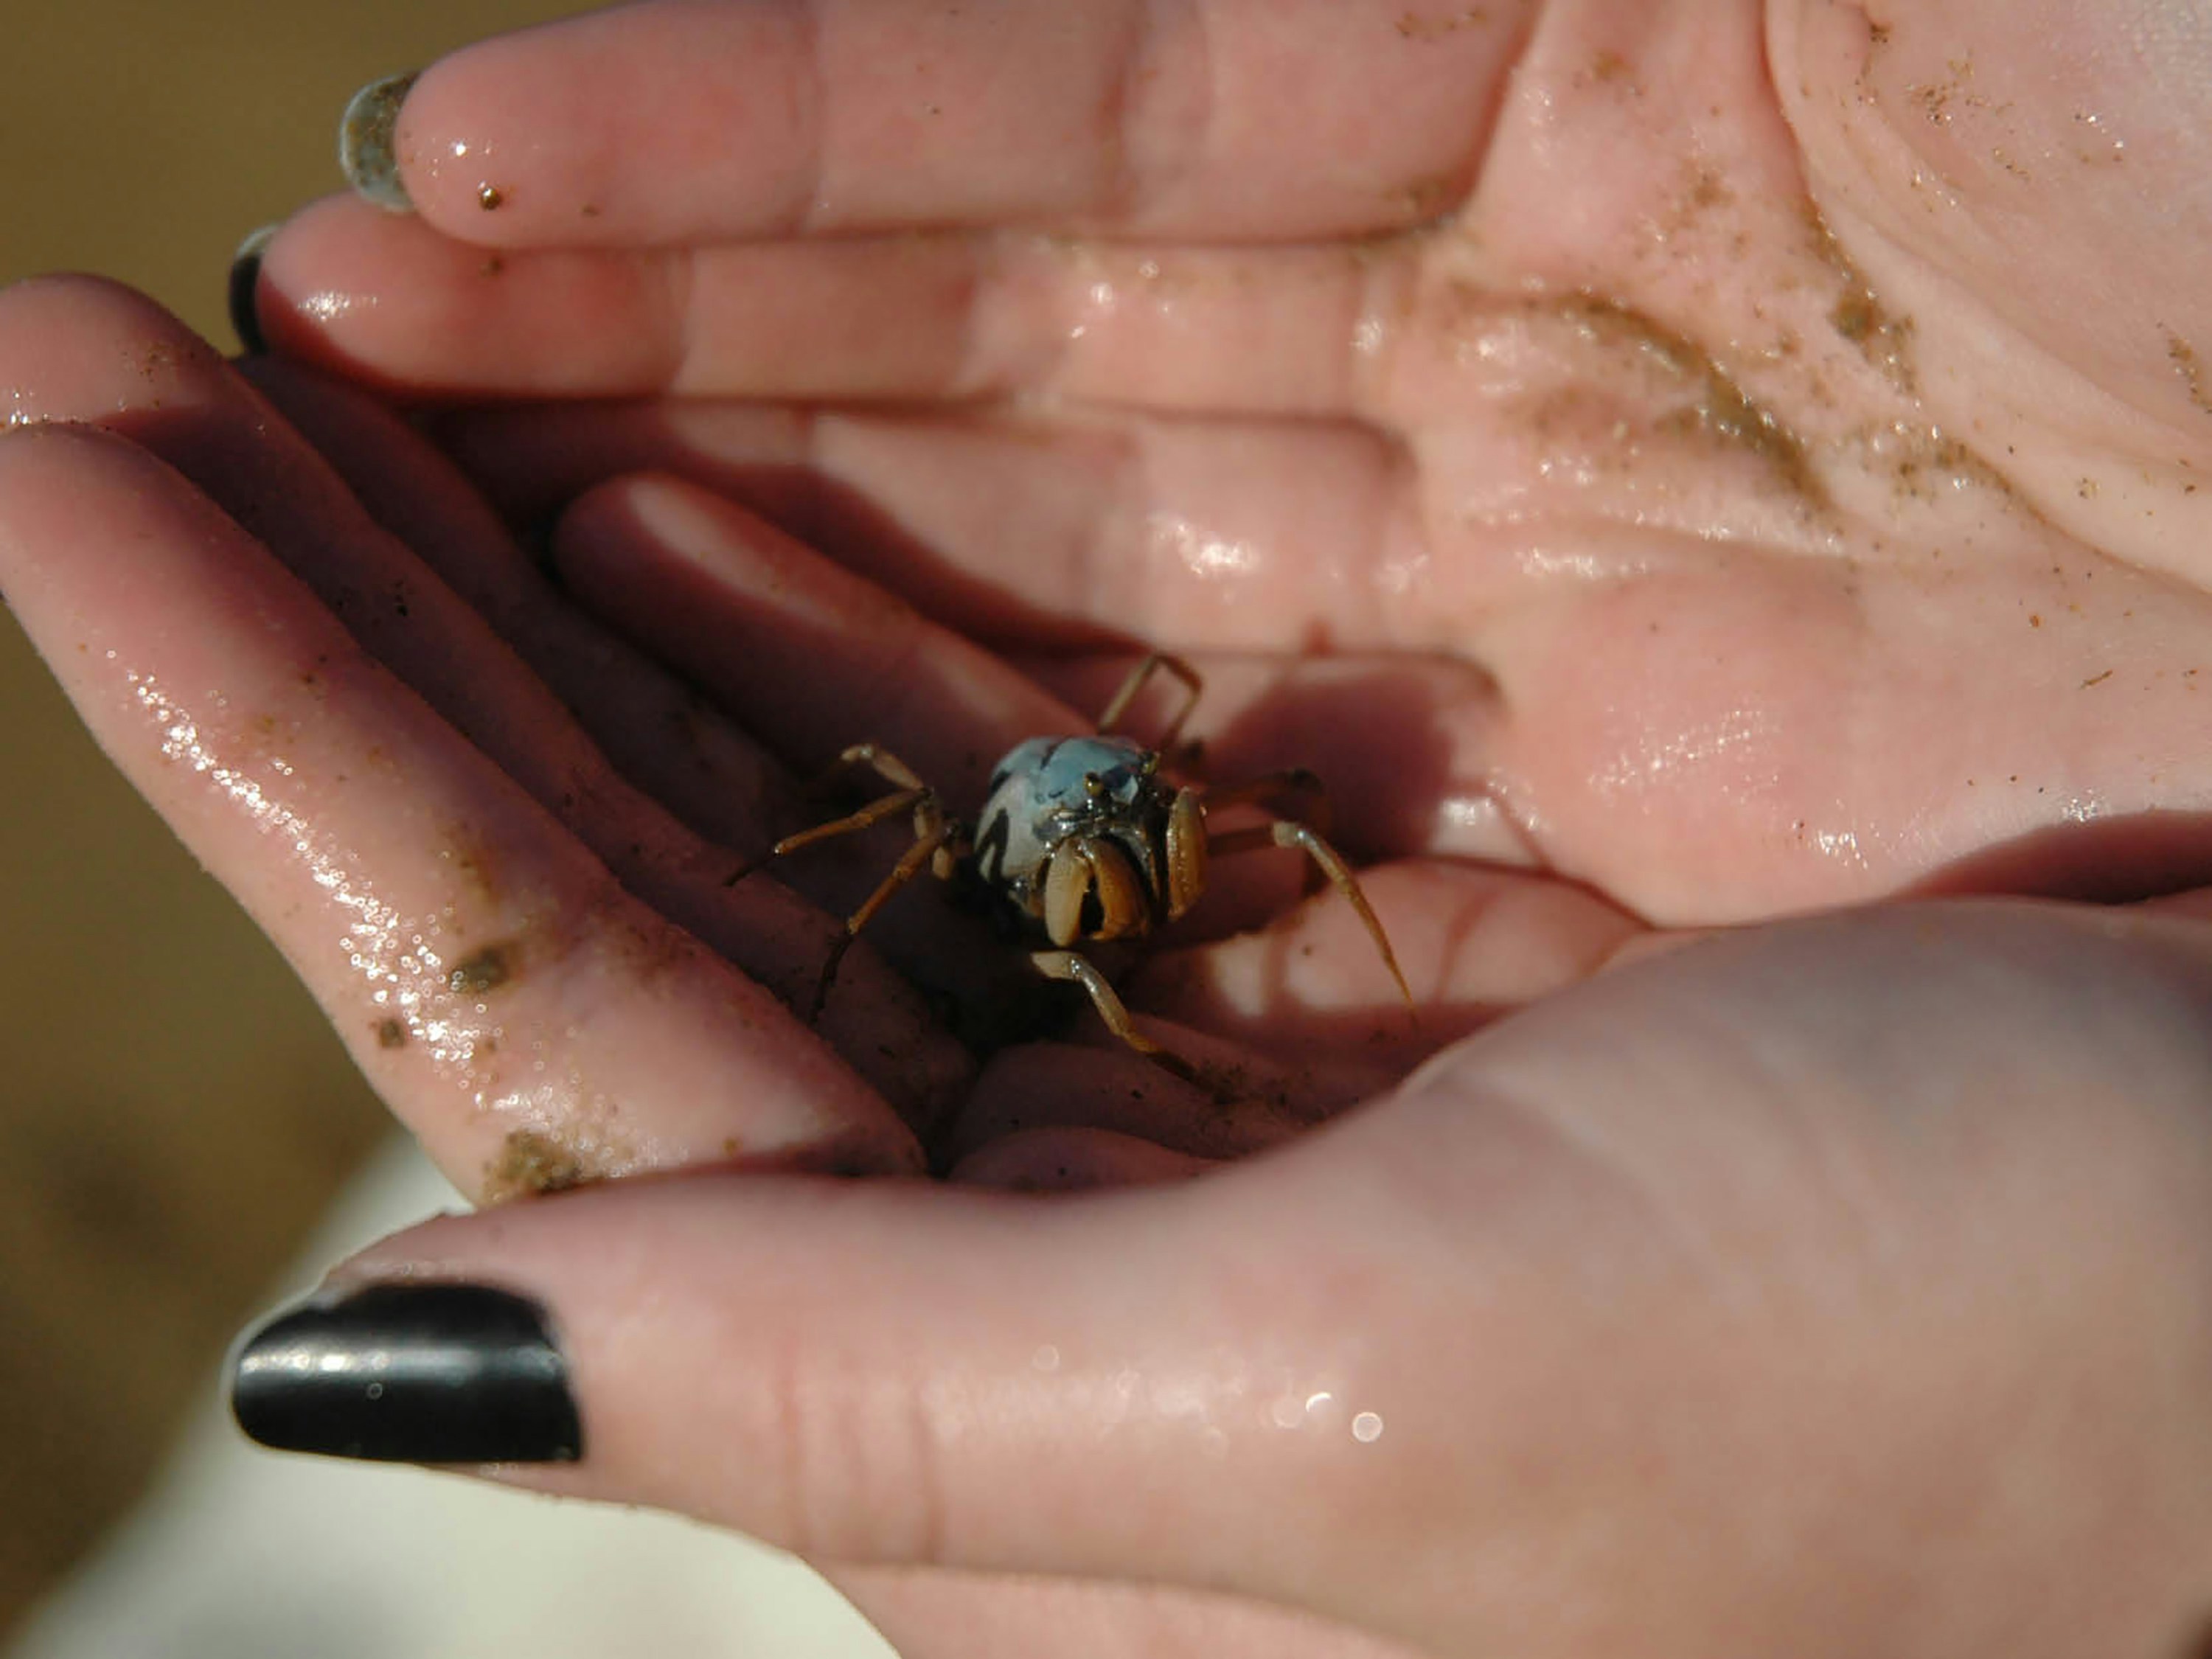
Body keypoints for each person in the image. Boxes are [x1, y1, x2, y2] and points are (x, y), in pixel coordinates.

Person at [4, 1, 2211, 1652]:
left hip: (1104, 814)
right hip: (1019, 837)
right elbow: (928, 831)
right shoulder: (1012, 839)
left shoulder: (1189, 804)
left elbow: (1267, 817)